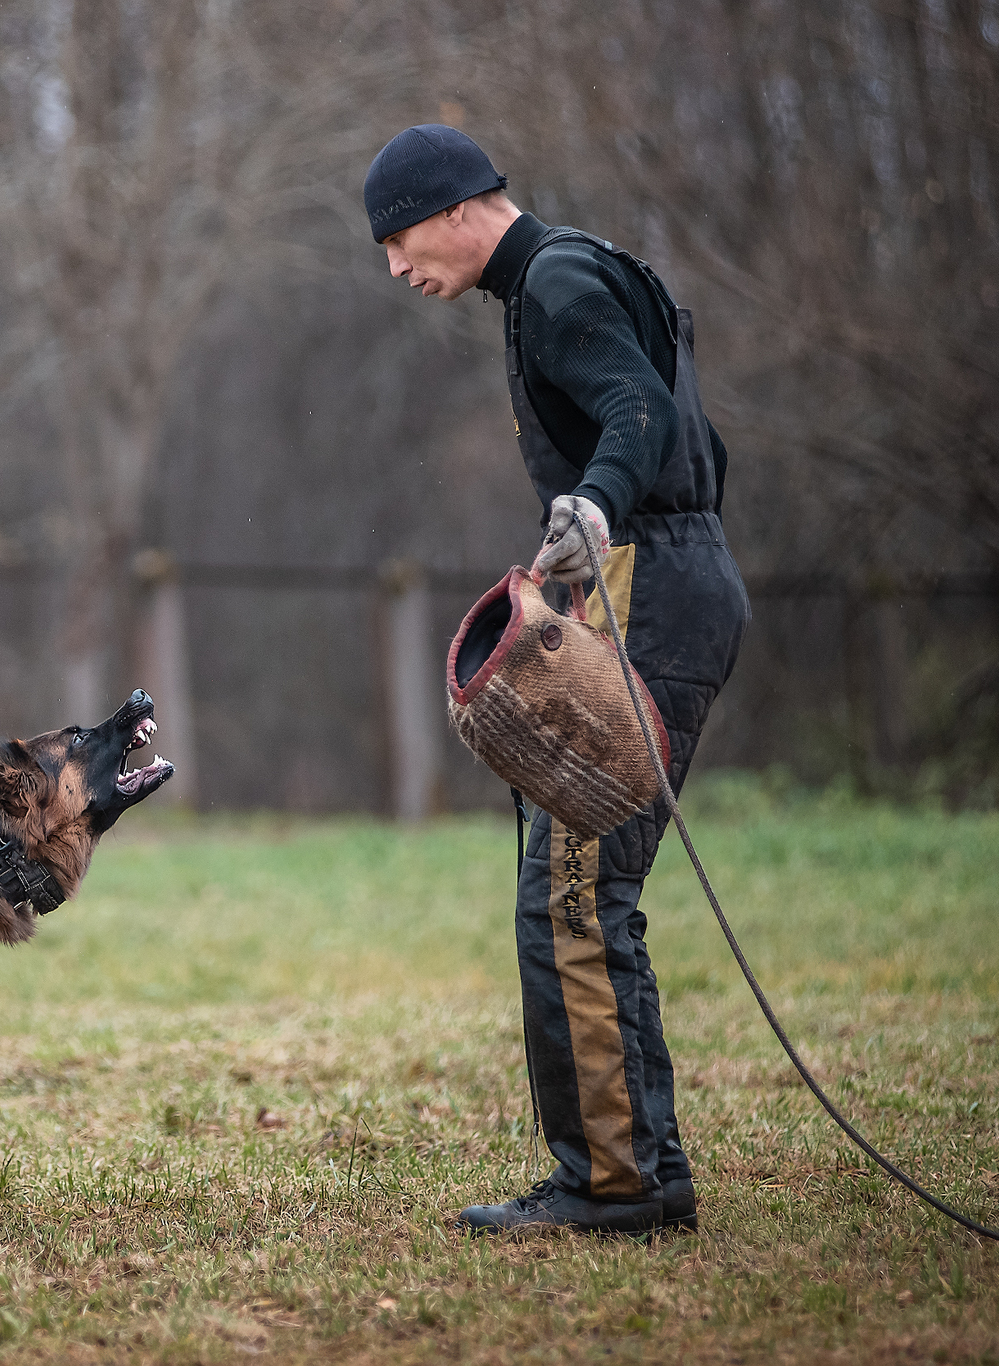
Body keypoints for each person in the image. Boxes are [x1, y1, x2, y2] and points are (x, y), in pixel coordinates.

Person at [364, 127, 749, 1234]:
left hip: (653, 591)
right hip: (662, 578)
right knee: (584, 894)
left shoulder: (556, 279)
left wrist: (594, 506)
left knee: (569, 898)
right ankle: (637, 1168)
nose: (395, 267)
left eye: (397, 237)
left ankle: (616, 1184)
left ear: (454, 207)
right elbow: (693, 440)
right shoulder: (572, 270)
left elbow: (641, 413)